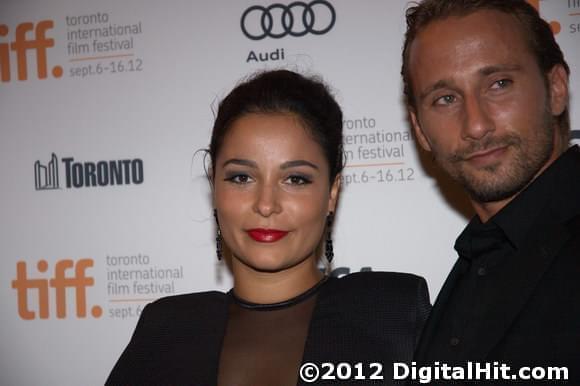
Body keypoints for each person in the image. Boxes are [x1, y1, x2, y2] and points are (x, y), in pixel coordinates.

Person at [106, 70, 430, 385]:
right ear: (215, 188)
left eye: (295, 179)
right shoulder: (165, 329)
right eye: (241, 177)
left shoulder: (392, 311)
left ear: (332, 193)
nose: (265, 204)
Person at [401, 0, 580, 382]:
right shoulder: (474, 263)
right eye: (445, 98)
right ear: (420, 130)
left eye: (498, 84)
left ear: (556, 88)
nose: (476, 125)